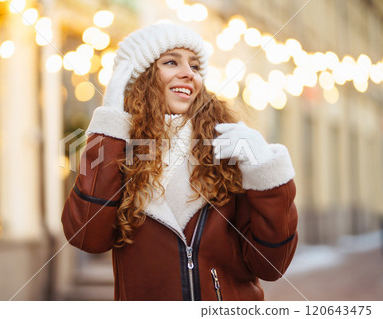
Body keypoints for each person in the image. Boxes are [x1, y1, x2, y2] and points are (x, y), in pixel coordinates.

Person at [61, 23, 298, 301]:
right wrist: (111, 125)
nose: (188, 74)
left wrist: (264, 173)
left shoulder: (228, 148)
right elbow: (86, 236)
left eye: (196, 67)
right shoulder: (119, 154)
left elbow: (271, 264)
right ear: (141, 77)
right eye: (171, 62)